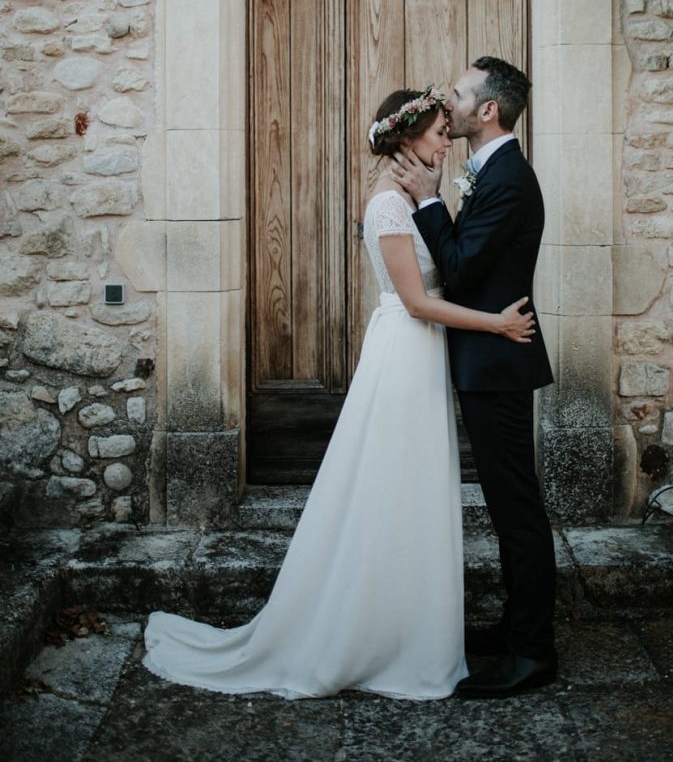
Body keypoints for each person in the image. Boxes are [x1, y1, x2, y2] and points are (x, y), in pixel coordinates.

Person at [141, 86, 536, 700]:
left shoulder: (415, 197)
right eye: (436, 132)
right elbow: (417, 300)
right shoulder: (388, 206)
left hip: (424, 352)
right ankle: (375, 635)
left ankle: (414, 630)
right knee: (392, 490)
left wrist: (434, 204)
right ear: (408, 140)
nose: (444, 140)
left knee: (414, 494)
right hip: (408, 349)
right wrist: (497, 323)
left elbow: (455, 264)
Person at [392, 56, 557, 699]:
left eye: (459, 94)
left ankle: (533, 652)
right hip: (488, 361)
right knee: (505, 504)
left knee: (516, 510)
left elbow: (460, 271)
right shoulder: (492, 174)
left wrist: (430, 201)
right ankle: (518, 629)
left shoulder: (510, 179)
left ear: (488, 110)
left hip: (498, 365)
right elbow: (473, 261)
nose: (448, 102)